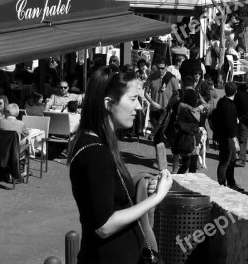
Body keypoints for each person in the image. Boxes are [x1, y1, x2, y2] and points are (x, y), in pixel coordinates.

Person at [68, 67, 173, 263]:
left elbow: (111, 199)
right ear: (109, 103)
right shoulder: (96, 153)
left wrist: (144, 188)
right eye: (133, 99)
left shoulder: (98, 144)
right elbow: (104, 226)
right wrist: (157, 197)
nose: (139, 107)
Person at [213, 83, 242, 192]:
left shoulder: (222, 102)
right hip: (227, 137)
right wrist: (235, 139)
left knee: (232, 160)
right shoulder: (229, 106)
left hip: (223, 135)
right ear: (235, 92)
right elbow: (230, 126)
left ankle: (230, 182)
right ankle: (222, 184)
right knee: (225, 160)